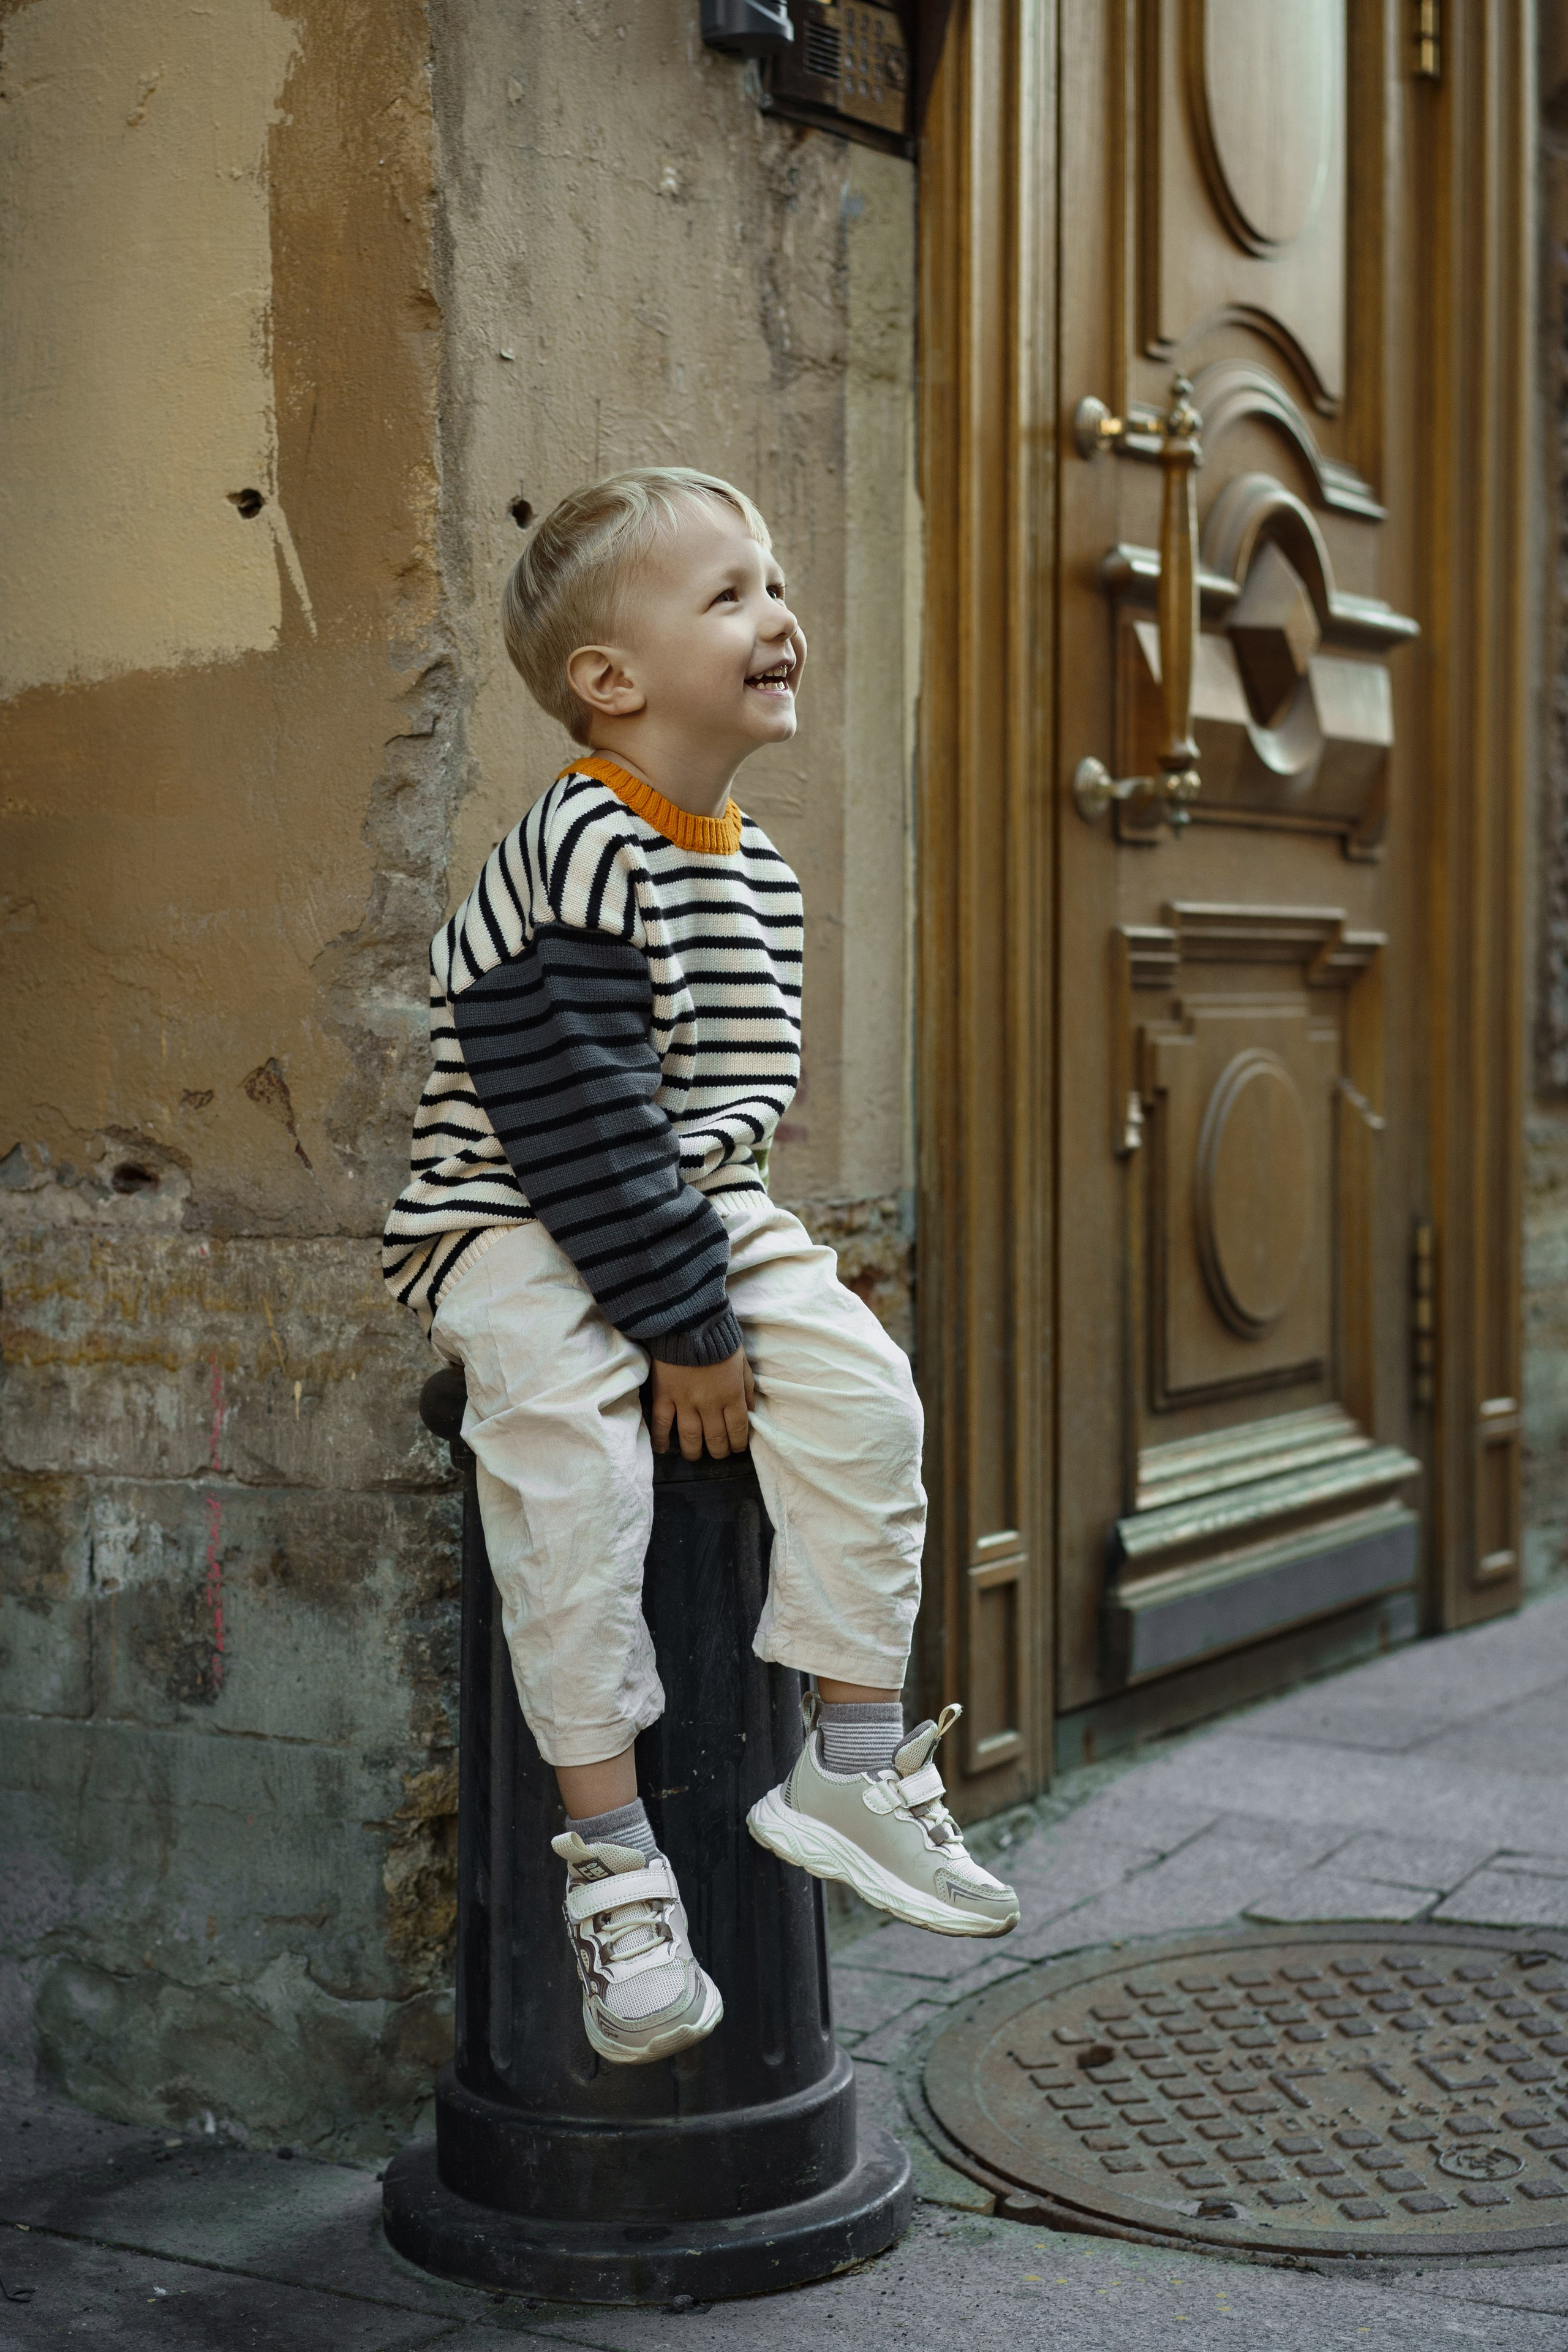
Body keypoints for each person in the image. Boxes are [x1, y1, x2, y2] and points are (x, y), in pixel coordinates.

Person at [382, 467, 1019, 2067]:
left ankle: (850, 1767)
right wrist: (687, 1329)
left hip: (686, 1202)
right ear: (612, 682)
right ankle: (613, 1869)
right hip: (520, 1210)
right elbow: (577, 1120)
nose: (780, 616)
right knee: (568, 1461)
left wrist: (730, 1298)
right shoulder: (577, 846)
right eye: (729, 594)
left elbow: (710, 1124)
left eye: (778, 584)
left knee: (871, 1400)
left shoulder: (762, 874)